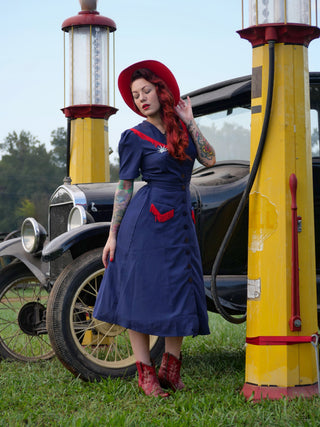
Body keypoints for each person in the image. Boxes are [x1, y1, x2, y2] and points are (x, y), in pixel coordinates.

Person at [93, 60, 216, 397]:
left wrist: (191, 122)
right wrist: (113, 234)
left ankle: (171, 371)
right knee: (141, 292)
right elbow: (124, 187)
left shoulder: (182, 128)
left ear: (161, 91)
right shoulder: (134, 137)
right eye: (136, 95)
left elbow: (209, 159)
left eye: (146, 90)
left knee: (179, 289)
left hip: (180, 218)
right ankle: (145, 373)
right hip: (145, 220)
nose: (141, 98)